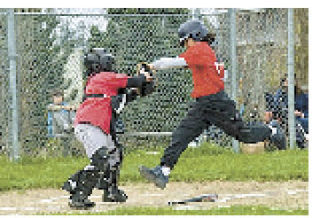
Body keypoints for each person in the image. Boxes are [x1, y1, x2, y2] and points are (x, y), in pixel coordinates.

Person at [138, 20, 286, 189]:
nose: (185, 45)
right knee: (182, 135)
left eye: (186, 41)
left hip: (217, 103)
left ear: (195, 36)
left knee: (243, 134)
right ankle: (163, 171)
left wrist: (152, 66)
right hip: (203, 104)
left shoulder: (200, 49)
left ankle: (272, 131)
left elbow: (174, 62)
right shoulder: (203, 52)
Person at [62, 48, 154, 209]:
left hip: (99, 127)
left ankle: (111, 191)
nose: (110, 64)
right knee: (100, 159)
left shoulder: (102, 84)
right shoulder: (101, 78)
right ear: (98, 65)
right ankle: (77, 192)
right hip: (89, 126)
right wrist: (143, 78)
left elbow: (119, 99)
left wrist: (136, 92)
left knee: (114, 154)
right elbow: (132, 81)